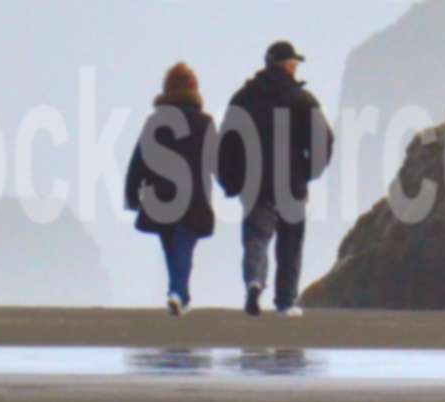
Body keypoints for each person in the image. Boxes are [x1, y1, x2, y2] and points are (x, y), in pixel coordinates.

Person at [216, 40, 335, 317]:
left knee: (256, 238)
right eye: (294, 63)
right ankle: (285, 302)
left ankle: (254, 283)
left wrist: (230, 180)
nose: (296, 67)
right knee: (290, 244)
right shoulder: (302, 100)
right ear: (288, 65)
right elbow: (324, 139)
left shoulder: (243, 98)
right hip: (291, 183)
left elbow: (226, 145)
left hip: (254, 183)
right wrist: (310, 170)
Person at [125, 61, 218, 315]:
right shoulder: (204, 122)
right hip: (194, 198)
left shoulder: (156, 121)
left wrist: (132, 195)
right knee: (184, 246)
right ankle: (178, 293)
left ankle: (178, 293)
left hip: (161, 196)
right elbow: (216, 160)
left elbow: (139, 161)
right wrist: (231, 184)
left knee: (171, 248)